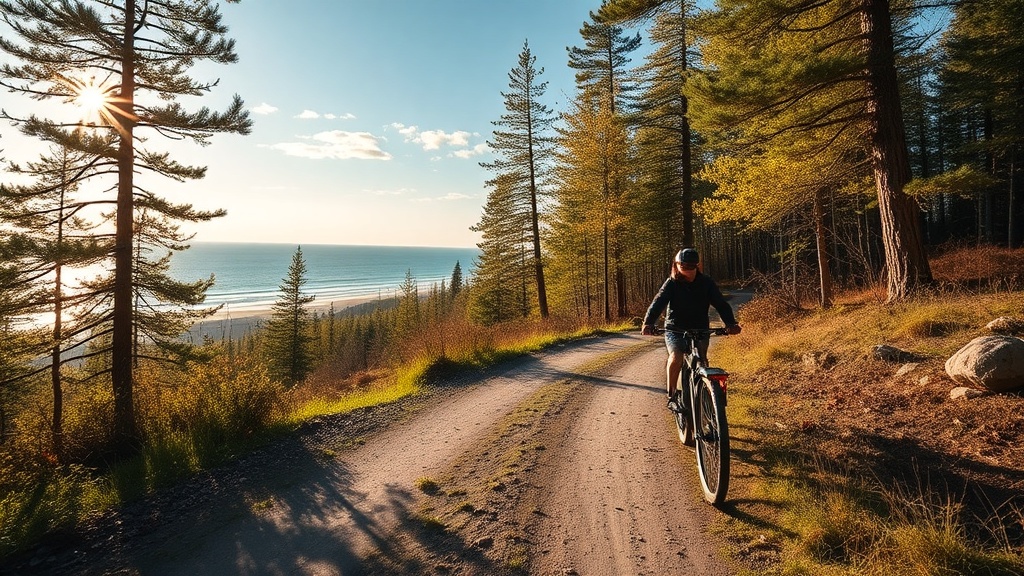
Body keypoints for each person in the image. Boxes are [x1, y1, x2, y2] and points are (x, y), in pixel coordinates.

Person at [641, 248, 741, 407]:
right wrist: (648, 323)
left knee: (702, 360)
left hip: (700, 328)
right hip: (675, 329)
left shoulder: (707, 283)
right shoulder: (671, 284)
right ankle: (672, 396)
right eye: (683, 266)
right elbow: (658, 303)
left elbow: (721, 304)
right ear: (677, 265)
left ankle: (706, 398)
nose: (687, 270)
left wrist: (730, 324)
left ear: (697, 266)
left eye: (690, 266)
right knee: (676, 356)